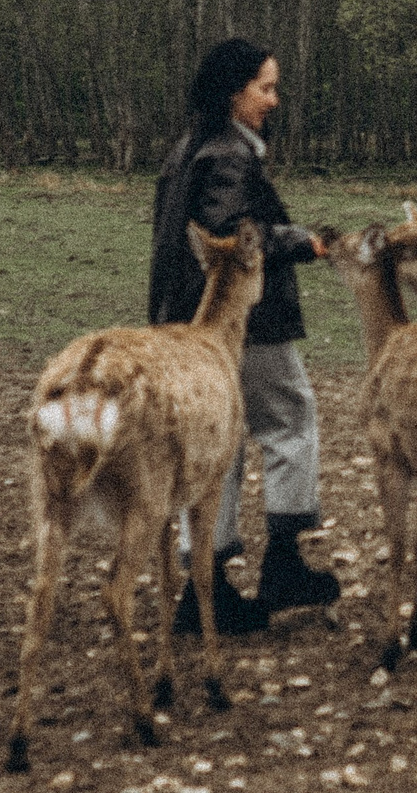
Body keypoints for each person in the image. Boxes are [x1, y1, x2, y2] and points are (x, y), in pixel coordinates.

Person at [149, 37, 342, 634]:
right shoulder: (230, 156)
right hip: (238, 323)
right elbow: (234, 237)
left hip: (183, 323)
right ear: (235, 93)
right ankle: (283, 562)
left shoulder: (189, 148)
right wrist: (303, 242)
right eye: (265, 87)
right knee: (291, 417)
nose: (274, 99)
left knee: (219, 443)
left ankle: (205, 593)